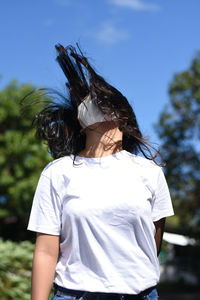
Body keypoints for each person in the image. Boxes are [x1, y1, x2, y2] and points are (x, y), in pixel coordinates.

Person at [27, 44, 174, 300]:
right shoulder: (57, 173)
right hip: (74, 294)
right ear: (80, 124)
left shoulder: (150, 173)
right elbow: (46, 251)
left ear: (122, 116)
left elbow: (152, 243)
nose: (93, 103)